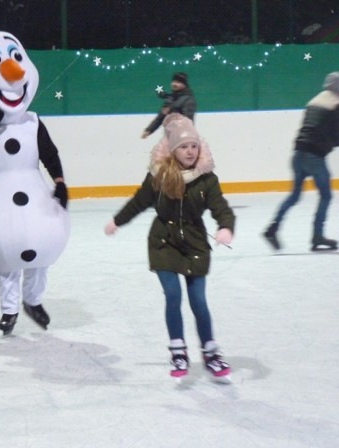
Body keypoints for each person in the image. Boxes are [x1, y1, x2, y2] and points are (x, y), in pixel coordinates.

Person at [104, 113, 234, 381]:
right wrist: (117, 221)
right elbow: (138, 202)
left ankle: (210, 352)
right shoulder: (159, 177)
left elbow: (220, 206)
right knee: (173, 295)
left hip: (195, 242)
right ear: (173, 150)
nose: (190, 151)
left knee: (198, 300)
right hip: (164, 241)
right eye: (184, 146)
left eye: (194, 146)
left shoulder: (207, 179)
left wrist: (225, 226)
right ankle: (178, 349)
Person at [0, 32, 70, 336]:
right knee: (7, 256)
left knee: (41, 249)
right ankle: (9, 310)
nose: (14, 73)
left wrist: (60, 183)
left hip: (35, 197)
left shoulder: (33, 122)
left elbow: (50, 154)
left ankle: (33, 300)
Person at [263, 72, 339, 252]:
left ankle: (272, 228)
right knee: (326, 195)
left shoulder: (314, 102)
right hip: (314, 156)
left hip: (298, 154)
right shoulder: (335, 105)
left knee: (295, 195)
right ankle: (317, 236)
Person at [142, 72, 196, 139]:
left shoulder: (188, 100)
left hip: (183, 137)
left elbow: (188, 121)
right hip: (170, 136)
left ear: (184, 85)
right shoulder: (170, 99)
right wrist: (149, 130)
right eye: (173, 81)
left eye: (178, 82)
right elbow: (160, 117)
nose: (174, 84)